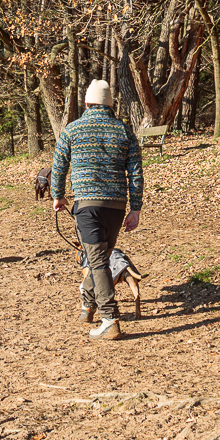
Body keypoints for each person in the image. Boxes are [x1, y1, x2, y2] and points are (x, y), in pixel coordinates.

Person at [50, 79, 143, 342]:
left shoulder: (72, 129)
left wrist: (58, 196)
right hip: (115, 206)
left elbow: (58, 167)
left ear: (88, 103)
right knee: (100, 258)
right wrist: (135, 208)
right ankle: (88, 303)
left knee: (98, 261)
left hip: (87, 206)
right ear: (109, 104)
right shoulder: (124, 131)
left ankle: (110, 319)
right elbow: (135, 172)